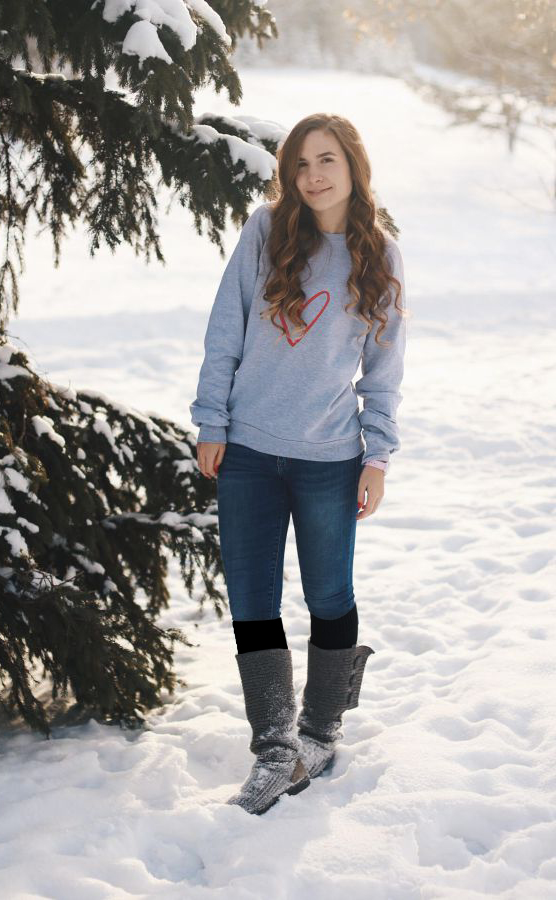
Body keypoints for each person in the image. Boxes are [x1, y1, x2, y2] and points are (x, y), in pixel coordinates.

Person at [189, 112, 407, 816]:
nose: (312, 175)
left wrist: (378, 456)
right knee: (252, 598)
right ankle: (275, 744)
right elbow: (227, 325)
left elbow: (384, 370)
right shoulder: (267, 230)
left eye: (327, 160)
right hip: (248, 449)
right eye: (300, 164)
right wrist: (211, 419)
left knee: (328, 595)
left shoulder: (380, 252)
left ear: (353, 166)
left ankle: (321, 727)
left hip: (329, 457)